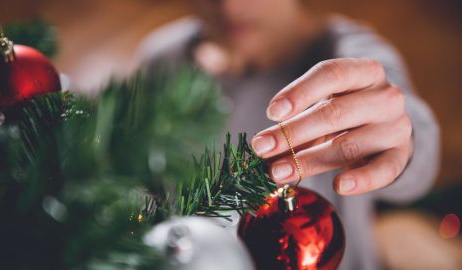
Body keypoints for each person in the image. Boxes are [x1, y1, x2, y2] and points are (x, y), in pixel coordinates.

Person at [136, 0, 440, 269]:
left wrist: (403, 142)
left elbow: (417, 153)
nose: (231, 6)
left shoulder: (348, 52)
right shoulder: (162, 58)